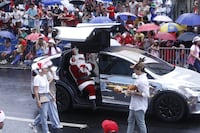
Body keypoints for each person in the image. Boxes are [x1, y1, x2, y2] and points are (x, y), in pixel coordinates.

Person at [32, 60, 62, 133]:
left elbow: (47, 88)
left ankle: (33, 124)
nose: (47, 70)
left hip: (47, 95)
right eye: (45, 68)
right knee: (44, 115)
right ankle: (45, 131)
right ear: (41, 70)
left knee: (44, 113)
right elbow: (36, 90)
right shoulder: (37, 78)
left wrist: (52, 96)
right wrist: (38, 101)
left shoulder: (44, 76)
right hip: (41, 96)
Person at [126, 57, 150, 133]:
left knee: (140, 123)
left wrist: (134, 93)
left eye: (135, 69)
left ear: (139, 70)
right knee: (130, 120)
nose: (134, 71)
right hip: (134, 104)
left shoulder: (143, 80)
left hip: (139, 105)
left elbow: (146, 94)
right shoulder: (139, 78)